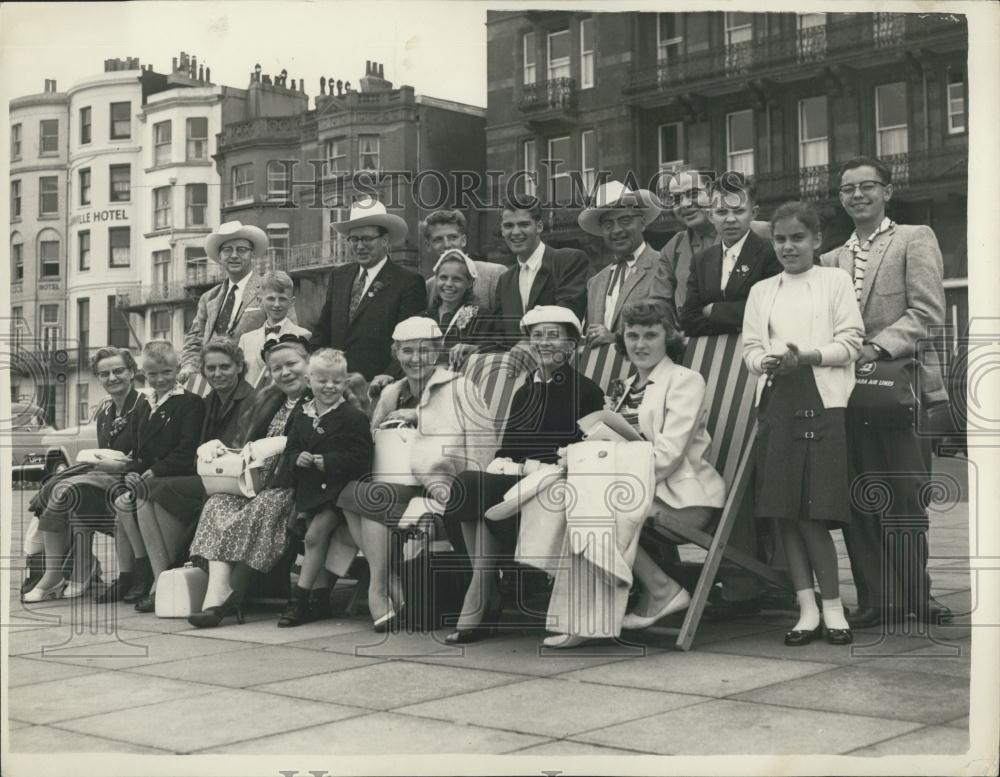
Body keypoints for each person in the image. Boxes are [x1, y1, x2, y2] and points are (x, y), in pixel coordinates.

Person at [547, 300, 727, 647]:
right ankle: (658, 588)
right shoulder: (626, 385)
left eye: (651, 335)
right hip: (638, 491)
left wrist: (609, 476)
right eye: (632, 335)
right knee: (570, 496)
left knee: (592, 506)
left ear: (669, 338)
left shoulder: (684, 381)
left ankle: (645, 596)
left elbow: (669, 456)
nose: (640, 344)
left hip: (681, 498)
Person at [820, 156, 951, 628]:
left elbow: (927, 311)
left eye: (867, 186)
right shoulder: (830, 259)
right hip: (849, 395)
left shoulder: (913, 239)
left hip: (903, 389)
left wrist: (874, 346)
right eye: (848, 189)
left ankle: (919, 595)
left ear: (887, 191)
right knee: (860, 497)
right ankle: (876, 599)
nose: (857, 195)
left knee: (907, 496)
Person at [442, 305, 604, 643]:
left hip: (554, 483)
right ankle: (484, 588)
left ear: (571, 347)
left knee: (472, 485)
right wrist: (514, 464)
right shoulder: (526, 391)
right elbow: (506, 451)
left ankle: (482, 594)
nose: (543, 343)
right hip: (514, 483)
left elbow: (577, 452)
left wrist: (524, 465)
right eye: (537, 337)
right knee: (470, 489)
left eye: (553, 336)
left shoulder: (586, 392)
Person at [744, 201, 865, 646]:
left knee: (814, 511)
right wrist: (768, 361)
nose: (788, 246)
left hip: (823, 399)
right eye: (780, 239)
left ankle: (833, 608)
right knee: (783, 513)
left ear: (817, 240)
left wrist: (809, 356)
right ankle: (806, 609)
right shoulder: (762, 291)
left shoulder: (834, 281)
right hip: (778, 398)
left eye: (798, 238)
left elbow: (852, 342)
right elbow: (750, 348)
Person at [338, 316, 495, 630]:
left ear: (438, 351)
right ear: (396, 353)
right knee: (349, 494)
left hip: (444, 482)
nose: (415, 359)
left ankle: (379, 587)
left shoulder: (458, 387)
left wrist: (419, 417)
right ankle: (389, 578)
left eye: (424, 350)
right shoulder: (392, 392)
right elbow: (375, 438)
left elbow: (481, 439)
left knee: (369, 501)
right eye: (407, 351)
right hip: (398, 479)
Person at [187, 335, 314, 628]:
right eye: (277, 368)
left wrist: (286, 443)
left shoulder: (319, 395)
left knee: (269, 503)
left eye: (292, 364)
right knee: (218, 503)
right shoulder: (269, 400)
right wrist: (220, 449)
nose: (285, 372)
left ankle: (229, 595)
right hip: (254, 482)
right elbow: (244, 444)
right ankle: (218, 593)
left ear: (307, 364)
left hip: (295, 486)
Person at [23, 348, 144, 602]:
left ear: (132, 372)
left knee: (64, 489)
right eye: (104, 373)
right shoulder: (105, 412)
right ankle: (67, 570)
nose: (112, 377)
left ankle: (57, 574)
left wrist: (119, 466)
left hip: (132, 482)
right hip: (106, 481)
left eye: (118, 371)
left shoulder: (144, 406)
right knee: (66, 493)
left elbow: (147, 456)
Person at [276, 349, 373, 627]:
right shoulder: (302, 415)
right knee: (308, 536)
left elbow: (361, 458)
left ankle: (299, 600)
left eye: (337, 381)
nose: (329, 387)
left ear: (345, 382)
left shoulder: (353, 418)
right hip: (310, 492)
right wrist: (299, 458)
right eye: (322, 380)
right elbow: (291, 450)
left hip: (338, 492)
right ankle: (320, 600)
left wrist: (327, 462)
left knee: (314, 537)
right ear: (309, 381)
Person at [110, 341, 207, 612]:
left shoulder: (190, 403)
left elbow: (187, 449)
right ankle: (145, 568)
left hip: (176, 476)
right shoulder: (144, 405)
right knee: (122, 501)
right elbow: (139, 450)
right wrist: (134, 472)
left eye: (166, 372)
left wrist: (155, 471)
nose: (160, 379)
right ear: (144, 374)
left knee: (139, 498)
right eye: (152, 374)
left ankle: (158, 579)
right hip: (150, 478)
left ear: (177, 369)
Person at [309, 197, 426, 389]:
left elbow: (409, 342)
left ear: (385, 240)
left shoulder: (408, 282)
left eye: (367, 239)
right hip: (334, 387)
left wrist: (387, 377)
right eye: (354, 239)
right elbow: (322, 332)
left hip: (377, 388)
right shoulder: (339, 276)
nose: (360, 246)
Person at [479, 197, 590, 363]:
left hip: (563, 370)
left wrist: (527, 342)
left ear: (539, 226)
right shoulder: (505, 280)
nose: (515, 232)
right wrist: (477, 348)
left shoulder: (568, 260)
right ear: (502, 231)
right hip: (518, 376)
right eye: (508, 226)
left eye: (524, 224)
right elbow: (500, 335)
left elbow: (567, 313)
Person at [680, 172, 782, 337]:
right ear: (710, 215)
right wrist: (734, 325)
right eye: (721, 212)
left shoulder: (770, 253)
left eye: (739, 211)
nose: (730, 219)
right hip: (716, 358)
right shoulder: (701, 261)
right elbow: (688, 320)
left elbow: (771, 310)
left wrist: (713, 310)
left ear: (754, 213)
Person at [659, 168, 771, 313]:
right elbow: (659, 302)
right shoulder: (672, 248)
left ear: (713, 195)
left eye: (693, 193)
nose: (685, 204)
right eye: (676, 199)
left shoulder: (760, 232)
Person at [578, 180, 674, 345]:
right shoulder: (595, 282)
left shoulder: (664, 265)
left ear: (642, 222)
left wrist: (615, 338)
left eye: (625, 221)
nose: (616, 230)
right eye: (608, 224)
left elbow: (667, 326)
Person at [178, 221, 269, 387]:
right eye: (227, 250)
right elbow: (194, 340)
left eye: (241, 250)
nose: (234, 255)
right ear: (219, 257)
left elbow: (285, 335)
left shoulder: (268, 291)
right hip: (213, 383)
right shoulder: (208, 298)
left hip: (254, 383)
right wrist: (189, 367)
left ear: (252, 255)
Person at [239, 270, 311, 388]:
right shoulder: (246, 340)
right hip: (252, 404)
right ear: (259, 301)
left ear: (291, 302)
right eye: (271, 299)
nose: (276, 304)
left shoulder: (304, 335)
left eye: (282, 299)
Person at [422, 209, 505, 309]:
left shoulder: (493, 274)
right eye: (438, 240)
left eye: (453, 237)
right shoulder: (429, 286)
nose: (447, 245)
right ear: (428, 246)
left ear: (463, 240)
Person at [424, 249, 489, 365]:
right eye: (443, 278)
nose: (448, 284)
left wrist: (475, 349)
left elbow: (495, 347)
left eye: (457, 279)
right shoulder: (423, 317)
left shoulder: (481, 317)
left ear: (469, 283)